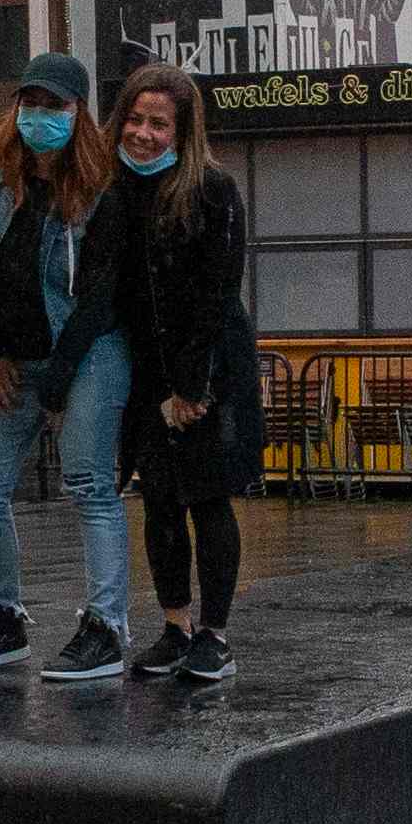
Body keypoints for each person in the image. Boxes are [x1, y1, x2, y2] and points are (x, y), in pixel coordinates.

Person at [0, 51, 134, 683]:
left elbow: (102, 294)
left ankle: (106, 626)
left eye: (53, 105)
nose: (39, 116)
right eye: (29, 103)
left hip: (86, 352)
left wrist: (61, 382)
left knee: (87, 481)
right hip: (13, 357)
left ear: (78, 111)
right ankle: (4, 618)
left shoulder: (104, 179)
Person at [109, 58, 262, 687]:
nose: (144, 133)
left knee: (208, 500)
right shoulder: (113, 190)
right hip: (146, 374)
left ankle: (215, 636)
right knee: (160, 503)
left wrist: (191, 388)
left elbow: (217, 291)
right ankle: (175, 627)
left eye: (159, 124)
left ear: (183, 130)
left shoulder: (214, 190)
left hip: (209, 371)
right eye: (136, 120)